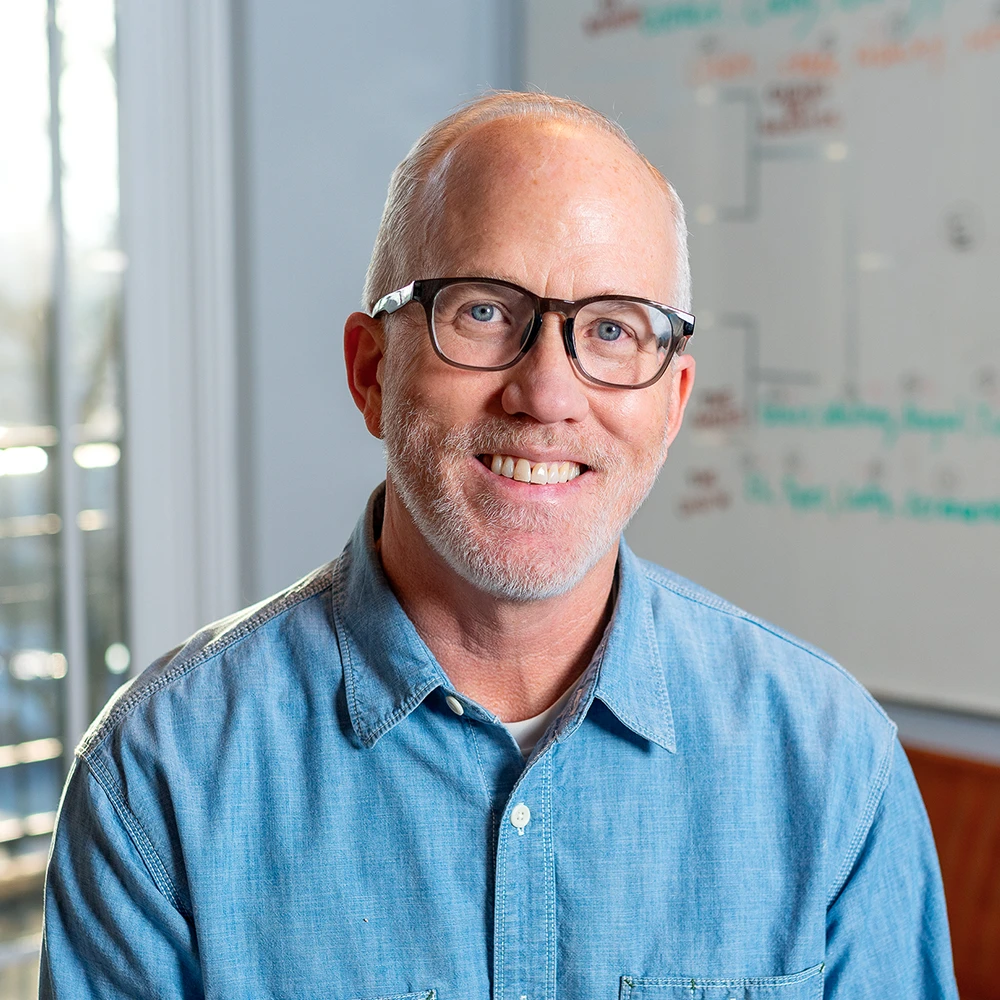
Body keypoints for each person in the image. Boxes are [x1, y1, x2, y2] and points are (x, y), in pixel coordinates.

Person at [40, 92, 957, 999]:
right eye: (483, 311)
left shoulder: (834, 766)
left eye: (611, 329)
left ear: (674, 403)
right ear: (371, 371)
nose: (547, 393)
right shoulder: (158, 776)